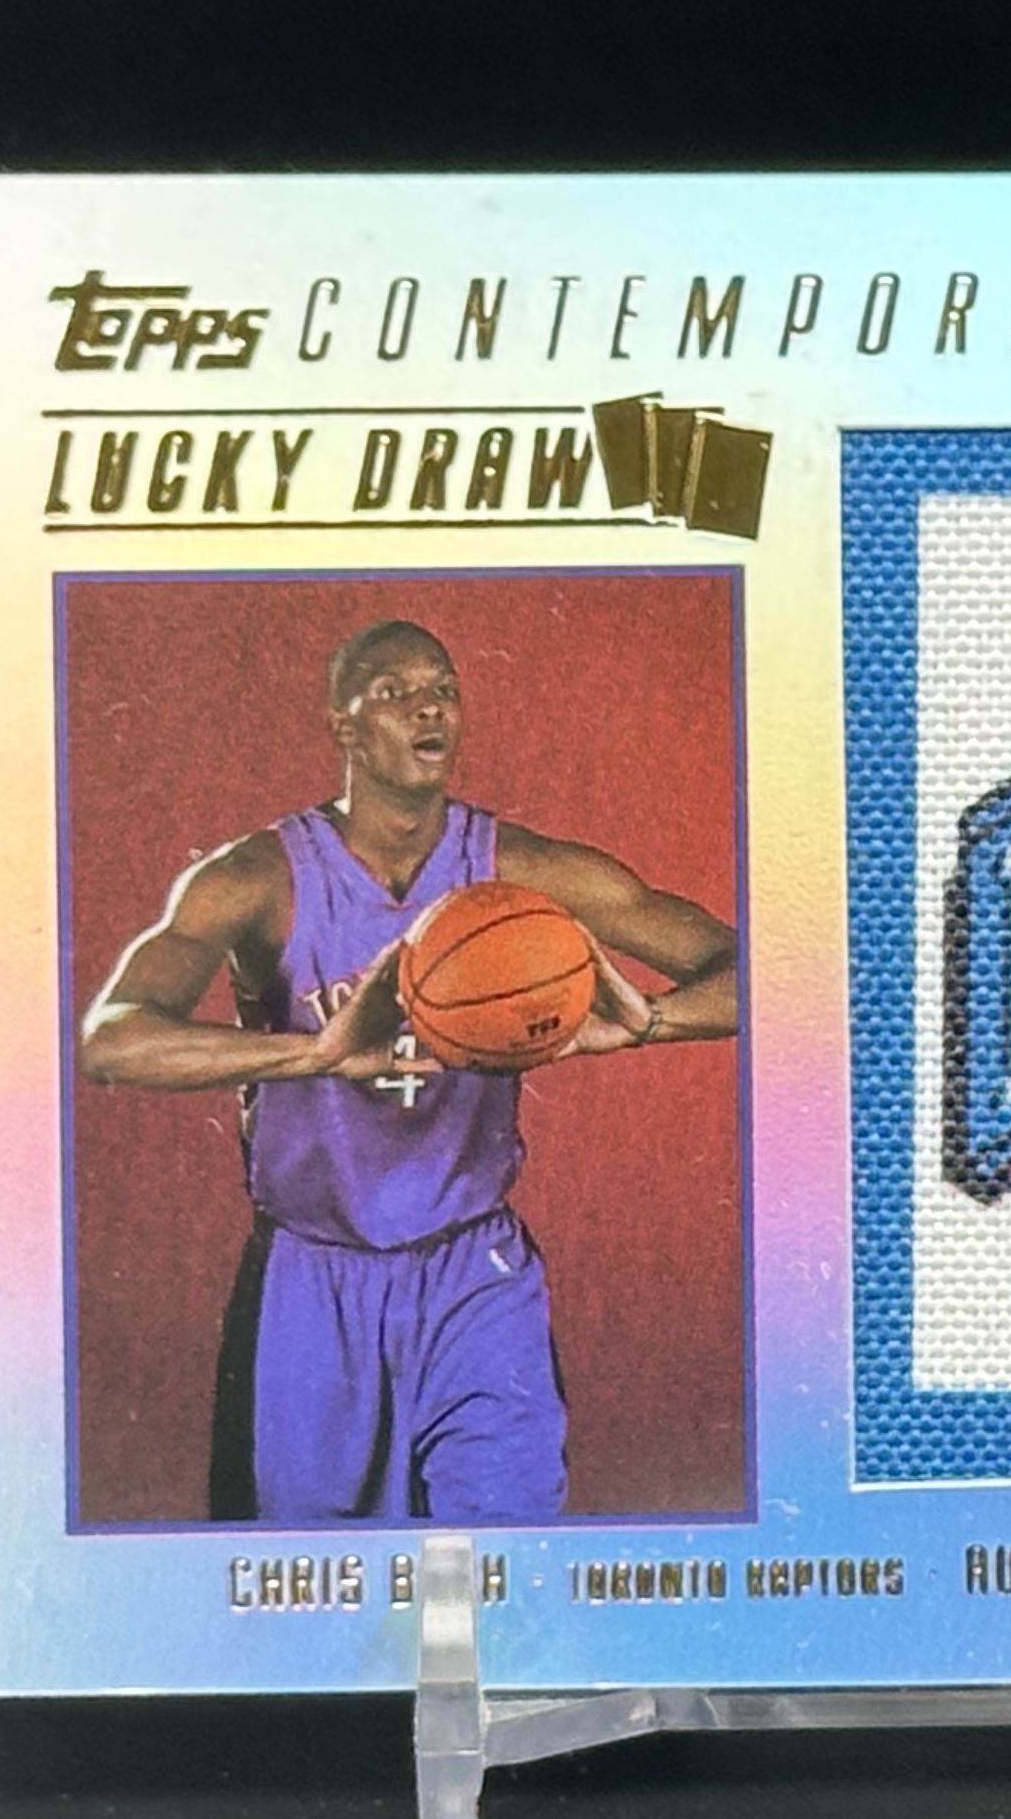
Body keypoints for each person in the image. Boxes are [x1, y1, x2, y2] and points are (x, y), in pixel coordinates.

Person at [78, 618, 738, 1522]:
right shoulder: (258, 878)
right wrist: (314, 1054)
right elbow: (110, 1040)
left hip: (474, 1273)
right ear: (343, 728)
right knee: (311, 1582)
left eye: (443, 690)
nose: (428, 708)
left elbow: (767, 975)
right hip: (312, 1278)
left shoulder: (515, 871)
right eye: (394, 693)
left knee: (500, 1556)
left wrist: (649, 1022)